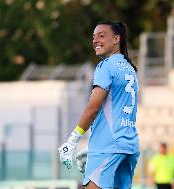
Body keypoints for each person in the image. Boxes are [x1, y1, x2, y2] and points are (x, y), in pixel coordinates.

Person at [58, 21, 140, 189]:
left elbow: (93, 107)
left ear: (116, 38)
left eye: (101, 35)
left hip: (108, 145)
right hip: (129, 146)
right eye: (93, 37)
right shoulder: (129, 69)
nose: (95, 40)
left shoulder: (106, 66)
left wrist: (72, 141)